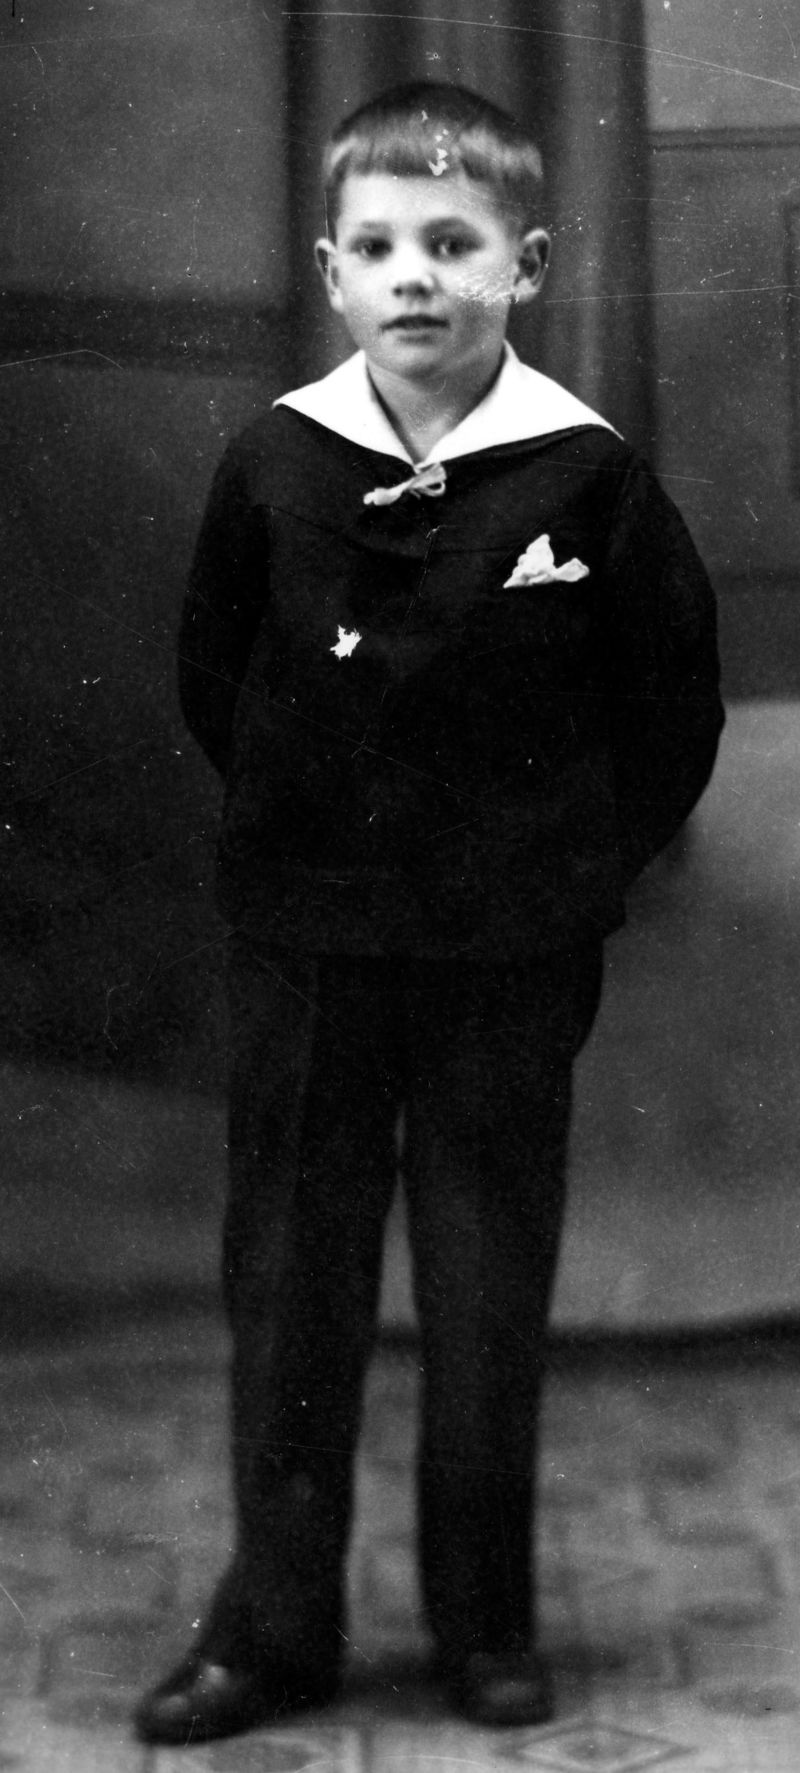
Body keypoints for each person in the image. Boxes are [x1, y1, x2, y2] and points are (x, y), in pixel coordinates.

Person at [134, 81, 724, 1747]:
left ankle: (487, 1621)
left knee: (485, 1282)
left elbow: (670, 709)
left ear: (523, 265)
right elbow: (215, 676)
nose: (416, 276)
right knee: (291, 1282)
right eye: (381, 245)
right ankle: (273, 1628)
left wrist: (562, 872)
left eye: (454, 244)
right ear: (332, 270)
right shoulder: (276, 461)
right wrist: (315, 838)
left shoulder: (586, 478)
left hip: (504, 956)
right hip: (311, 943)